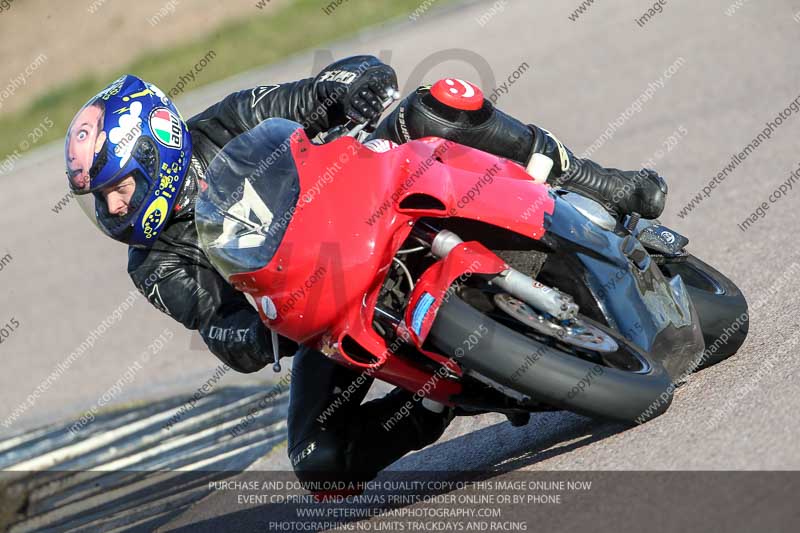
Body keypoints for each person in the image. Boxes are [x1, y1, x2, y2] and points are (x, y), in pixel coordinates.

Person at [63, 55, 667, 487]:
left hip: (362, 205)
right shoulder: (153, 264)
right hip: (312, 307)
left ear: (152, 154)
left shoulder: (230, 120)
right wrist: (260, 326)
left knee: (438, 104)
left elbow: (325, 87)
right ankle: (432, 402)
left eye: (118, 189)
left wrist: (352, 87)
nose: (113, 209)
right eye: (101, 200)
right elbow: (222, 333)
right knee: (319, 462)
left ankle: (596, 183)